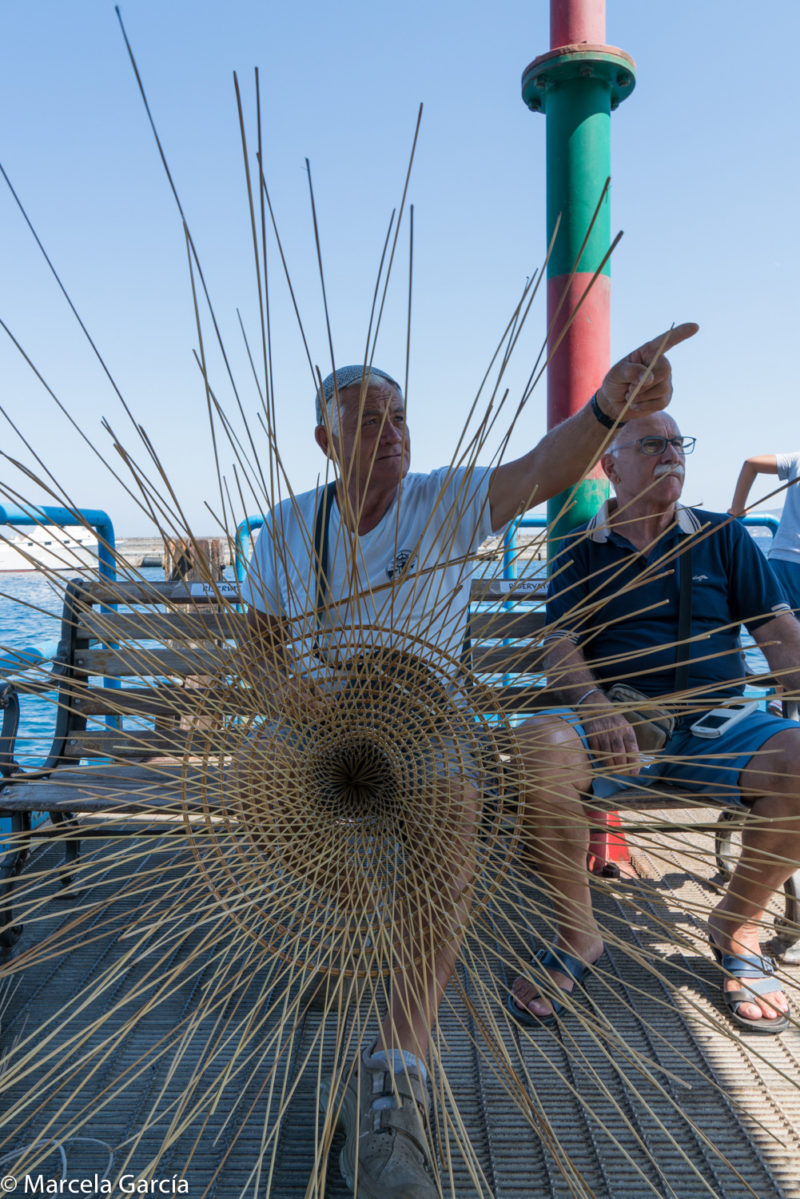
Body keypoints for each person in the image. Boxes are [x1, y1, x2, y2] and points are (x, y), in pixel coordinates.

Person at [240, 324, 697, 1199]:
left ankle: (398, 1068)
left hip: (425, 713)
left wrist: (608, 408)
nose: (393, 433)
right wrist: (295, 701)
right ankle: (370, 911)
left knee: (450, 811)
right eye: (368, 420)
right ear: (325, 440)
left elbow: (543, 469)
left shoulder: (443, 500)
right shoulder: (288, 527)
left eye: (400, 416)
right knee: (255, 778)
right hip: (322, 717)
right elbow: (259, 647)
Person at [510, 412, 800, 1040]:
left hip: (719, 729)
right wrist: (596, 707)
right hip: (616, 730)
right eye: (653, 444)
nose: (672, 454)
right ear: (611, 466)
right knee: (537, 744)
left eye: (677, 443)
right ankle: (578, 934)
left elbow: (779, 634)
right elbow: (559, 643)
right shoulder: (582, 547)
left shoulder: (723, 536)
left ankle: (736, 926)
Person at [729, 452, 800, 612]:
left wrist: (737, 509)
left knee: (781, 624)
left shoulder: (797, 459)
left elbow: (751, 464)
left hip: (783, 560)